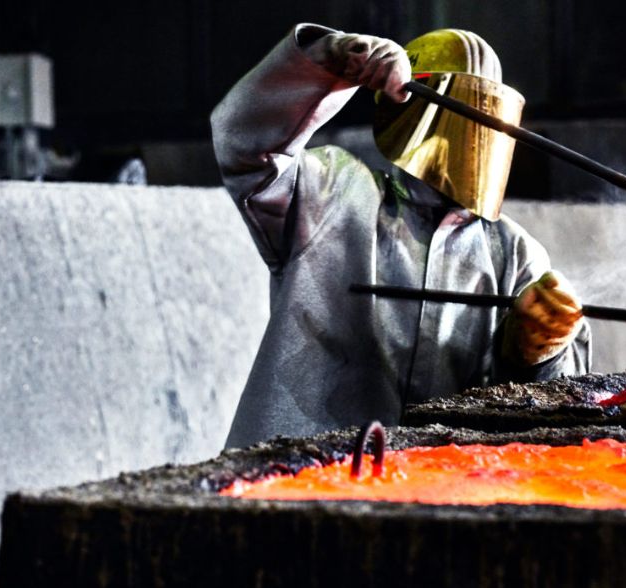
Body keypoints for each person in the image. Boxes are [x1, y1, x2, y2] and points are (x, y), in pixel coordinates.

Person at [212, 23, 590, 448]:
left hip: (437, 496)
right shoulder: (331, 195)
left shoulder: (517, 256)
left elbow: (560, 419)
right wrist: (327, 60)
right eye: (461, 109)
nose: (473, 138)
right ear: (406, 101)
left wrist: (538, 356)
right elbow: (243, 142)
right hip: (301, 482)